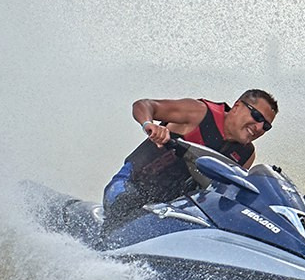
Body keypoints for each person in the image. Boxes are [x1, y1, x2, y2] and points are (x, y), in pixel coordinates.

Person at [102, 89, 278, 228]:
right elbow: (144, 105)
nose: (259, 127)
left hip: (169, 208)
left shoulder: (246, 154)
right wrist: (149, 124)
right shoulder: (199, 112)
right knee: (126, 205)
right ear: (237, 106)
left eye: (266, 126)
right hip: (130, 185)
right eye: (257, 117)